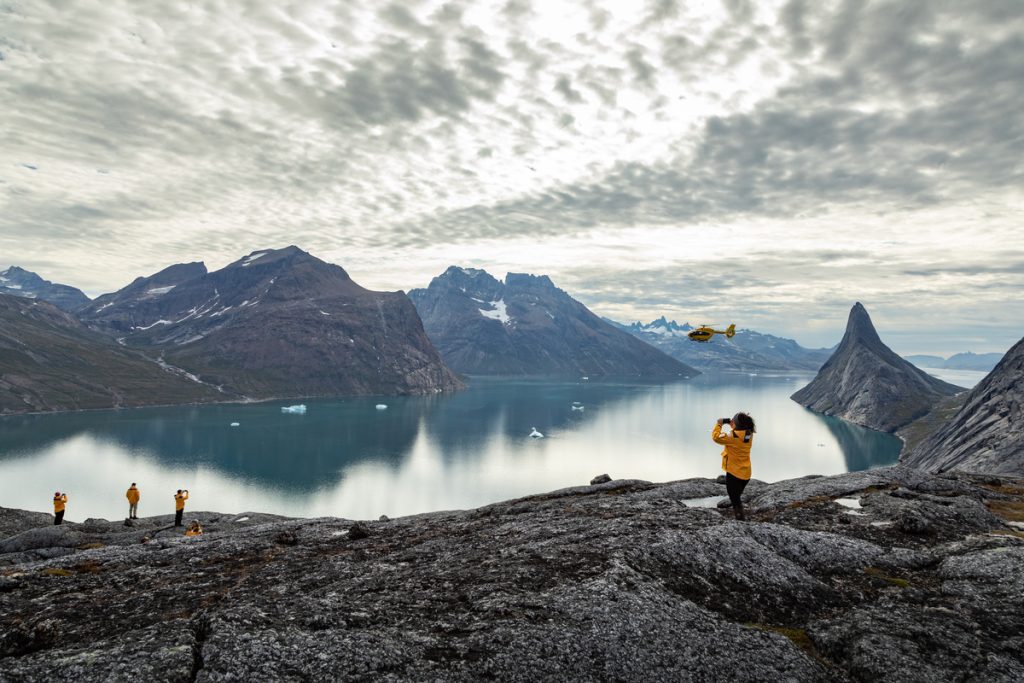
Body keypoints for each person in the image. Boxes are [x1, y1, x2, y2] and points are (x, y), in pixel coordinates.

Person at [712, 413, 756, 520]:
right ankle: (739, 518)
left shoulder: (732, 437)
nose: (732, 422)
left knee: (735, 499)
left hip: (734, 473)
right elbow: (738, 433)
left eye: (734, 421)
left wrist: (719, 424)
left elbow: (716, 437)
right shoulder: (748, 434)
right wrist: (733, 424)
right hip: (746, 474)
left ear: (737, 424)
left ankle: (740, 521)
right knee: (736, 497)